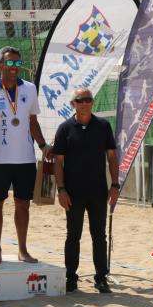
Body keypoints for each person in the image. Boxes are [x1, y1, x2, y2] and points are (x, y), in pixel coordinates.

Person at [0, 46, 51, 264]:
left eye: (18, 63)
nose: (15, 67)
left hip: (25, 158)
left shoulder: (29, 88)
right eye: (10, 63)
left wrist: (43, 145)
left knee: (23, 204)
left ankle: (23, 250)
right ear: (0, 65)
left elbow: (33, 122)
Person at [52, 87, 119, 294]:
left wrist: (115, 184)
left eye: (88, 100)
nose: (85, 103)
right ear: (73, 103)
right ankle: (71, 278)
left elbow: (112, 157)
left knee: (99, 236)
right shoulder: (65, 128)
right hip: (73, 193)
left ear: (92, 102)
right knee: (73, 235)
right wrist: (61, 189)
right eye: (80, 100)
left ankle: (101, 278)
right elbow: (58, 162)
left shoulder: (103, 126)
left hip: (98, 191)